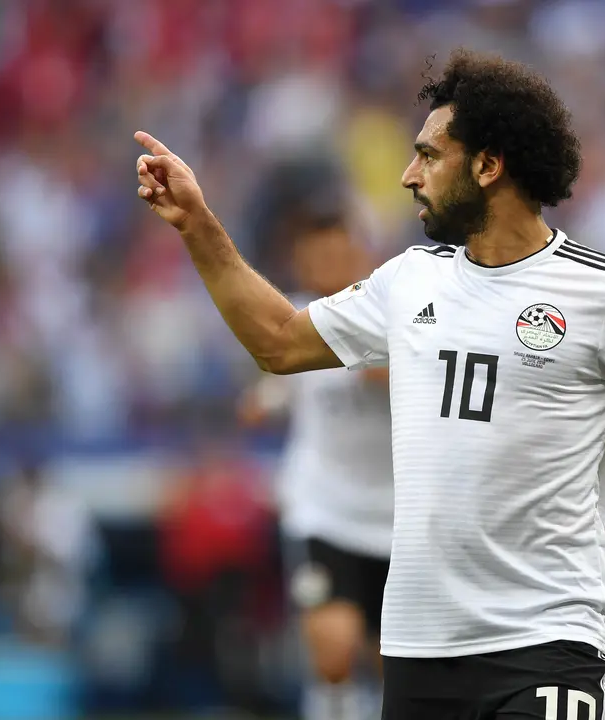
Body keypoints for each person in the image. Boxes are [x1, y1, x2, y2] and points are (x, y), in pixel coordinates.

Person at [133, 48, 605, 720]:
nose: (409, 175)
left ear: (490, 165)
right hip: (418, 648)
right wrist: (197, 224)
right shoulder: (409, 282)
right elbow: (279, 342)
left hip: (544, 641)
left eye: (430, 156)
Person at [237, 171, 394, 720]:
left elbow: (406, 380)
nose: (323, 266)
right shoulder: (296, 320)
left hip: (396, 520)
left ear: (360, 251)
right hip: (324, 511)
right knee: (331, 648)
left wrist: (369, 365)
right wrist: (260, 403)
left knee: (392, 662)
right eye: (312, 255)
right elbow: (268, 394)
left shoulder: (393, 315)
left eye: (335, 251)